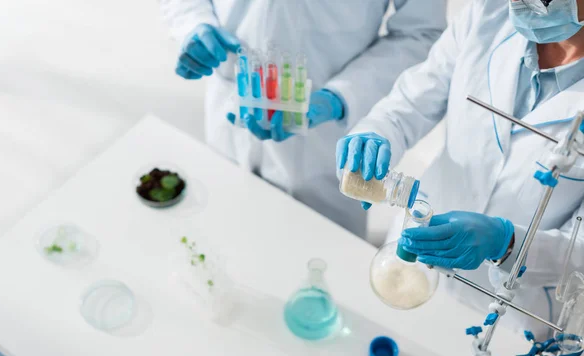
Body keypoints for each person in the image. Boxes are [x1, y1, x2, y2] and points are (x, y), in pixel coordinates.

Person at [337, 0, 584, 335]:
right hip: (409, 265)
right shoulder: (489, 13)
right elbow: (411, 101)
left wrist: (506, 243)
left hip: (510, 314)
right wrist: (377, 131)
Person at [160, 0, 447, 238]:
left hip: (320, 142)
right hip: (231, 107)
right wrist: (193, 22)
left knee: (320, 264)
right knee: (225, 235)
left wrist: (339, 97)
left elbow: (420, 33)